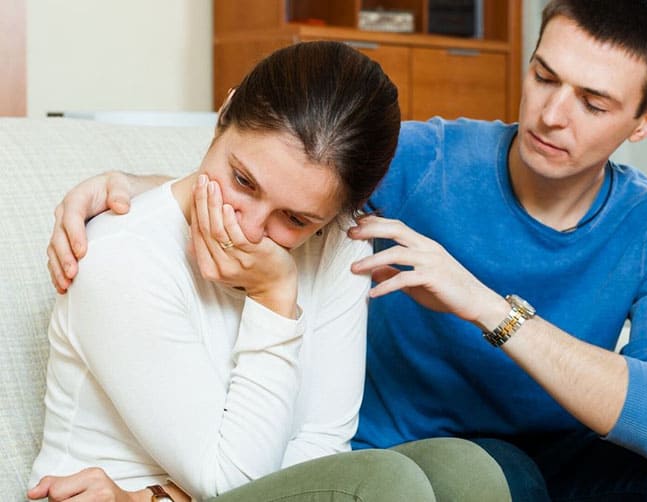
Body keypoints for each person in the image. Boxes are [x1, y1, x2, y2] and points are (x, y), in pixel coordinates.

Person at [46, 1, 647, 500]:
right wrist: (139, 190)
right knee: (489, 472)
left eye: (593, 101)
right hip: (431, 464)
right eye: (545, 76)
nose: (551, 115)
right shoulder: (422, 158)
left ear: (646, 123)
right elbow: (294, 163)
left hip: (564, 452)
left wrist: (487, 307)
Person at [28, 41, 510, 502]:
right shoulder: (121, 257)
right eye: (242, 180)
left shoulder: (338, 245)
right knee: (386, 484)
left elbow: (323, 446)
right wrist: (274, 297)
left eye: (296, 219)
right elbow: (229, 482)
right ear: (224, 113)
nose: (251, 229)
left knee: (467, 471)